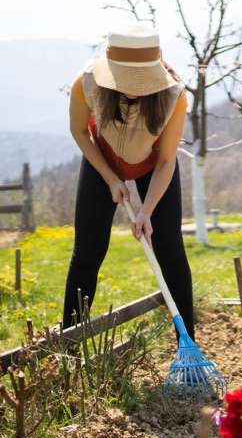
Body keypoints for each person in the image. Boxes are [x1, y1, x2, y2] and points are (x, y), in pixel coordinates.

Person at [62, 24, 193, 338]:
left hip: (153, 166)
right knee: (88, 252)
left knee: (170, 249)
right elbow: (80, 132)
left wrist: (146, 211)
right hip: (102, 160)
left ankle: (188, 342)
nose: (135, 87)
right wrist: (110, 178)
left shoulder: (174, 96)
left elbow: (165, 161)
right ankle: (68, 344)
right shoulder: (86, 84)